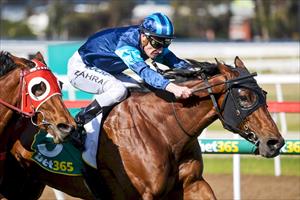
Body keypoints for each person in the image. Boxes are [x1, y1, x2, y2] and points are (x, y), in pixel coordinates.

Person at [67, 12, 193, 199]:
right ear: (144, 36)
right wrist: (172, 87)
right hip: (81, 68)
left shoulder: (151, 42)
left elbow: (173, 61)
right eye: (158, 43)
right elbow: (143, 70)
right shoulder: (127, 43)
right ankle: (81, 121)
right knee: (117, 91)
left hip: (104, 70)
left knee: (140, 90)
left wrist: (198, 72)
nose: (161, 48)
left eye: (166, 43)